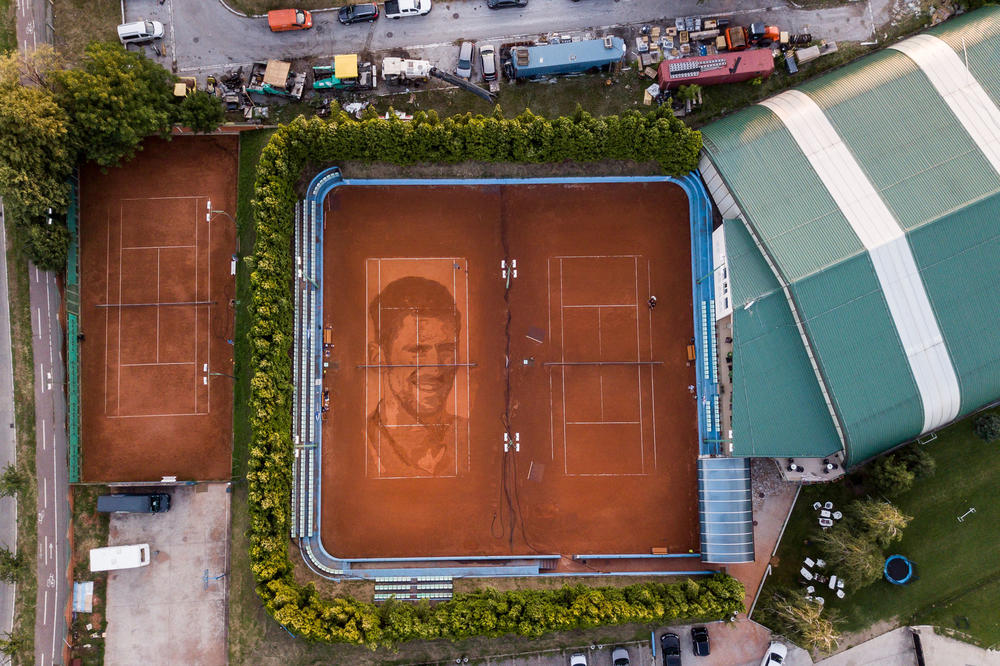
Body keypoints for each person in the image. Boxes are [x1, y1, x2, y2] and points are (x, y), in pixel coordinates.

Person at [366, 276, 467, 478]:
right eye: (418, 349)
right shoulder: (356, 445)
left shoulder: (476, 438)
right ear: (378, 358)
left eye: (447, 349)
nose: (436, 367)